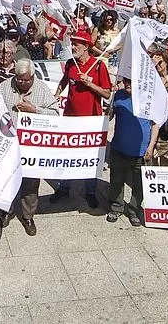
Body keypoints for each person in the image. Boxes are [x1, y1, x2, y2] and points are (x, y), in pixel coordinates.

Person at [0, 59, 61, 236]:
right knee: (6, 180)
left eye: (25, 80)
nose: (22, 83)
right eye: (18, 79)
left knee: (30, 183)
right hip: (8, 144)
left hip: (32, 147)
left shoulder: (42, 89)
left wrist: (34, 110)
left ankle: (28, 215)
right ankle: (7, 210)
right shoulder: (4, 87)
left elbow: (55, 113)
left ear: (33, 76)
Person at [51, 32, 111, 207]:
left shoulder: (98, 66)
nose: (73, 46)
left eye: (77, 44)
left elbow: (107, 93)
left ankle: (90, 191)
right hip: (70, 119)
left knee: (90, 156)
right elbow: (63, 82)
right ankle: (64, 188)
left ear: (86, 46)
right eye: (73, 43)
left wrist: (90, 84)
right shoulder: (71, 64)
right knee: (67, 154)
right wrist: (55, 95)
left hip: (91, 122)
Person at [105, 76, 157, 225]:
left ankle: (134, 209)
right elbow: (108, 117)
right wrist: (108, 107)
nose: (127, 84)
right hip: (119, 148)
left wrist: (151, 146)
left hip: (141, 151)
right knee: (116, 180)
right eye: (125, 81)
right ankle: (116, 207)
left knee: (139, 184)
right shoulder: (118, 96)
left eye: (131, 81)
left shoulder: (148, 98)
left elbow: (155, 124)